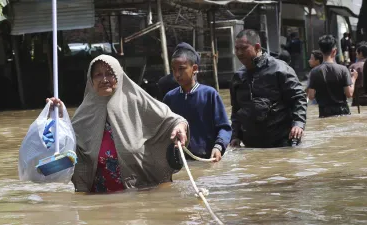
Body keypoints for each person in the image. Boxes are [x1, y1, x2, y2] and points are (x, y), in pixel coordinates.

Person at [47, 55, 189, 193]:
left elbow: (172, 120)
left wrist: (180, 127)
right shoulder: (84, 113)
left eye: (109, 74)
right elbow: (68, 149)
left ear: (119, 76)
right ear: (91, 80)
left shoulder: (136, 101)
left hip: (140, 193)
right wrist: (59, 118)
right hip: (98, 199)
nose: (104, 79)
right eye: (98, 75)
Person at [230, 29, 307, 148]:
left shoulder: (279, 69)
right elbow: (236, 111)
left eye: (244, 48)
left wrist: (298, 124)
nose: (239, 53)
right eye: (236, 49)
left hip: (281, 143)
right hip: (251, 146)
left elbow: (299, 98)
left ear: (257, 47)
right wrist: (235, 136)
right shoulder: (238, 77)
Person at [163, 42, 232, 162]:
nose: (177, 74)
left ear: (194, 69)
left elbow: (224, 127)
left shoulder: (210, 94)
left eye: (181, 69)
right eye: (174, 70)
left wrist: (218, 146)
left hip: (207, 158)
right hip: (181, 160)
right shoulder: (170, 97)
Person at [307, 35, 358, 118]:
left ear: (320, 50)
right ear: (334, 51)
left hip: (324, 112)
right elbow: (349, 94)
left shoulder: (313, 72)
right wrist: (354, 78)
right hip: (342, 111)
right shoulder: (343, 69)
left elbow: (311, 96)